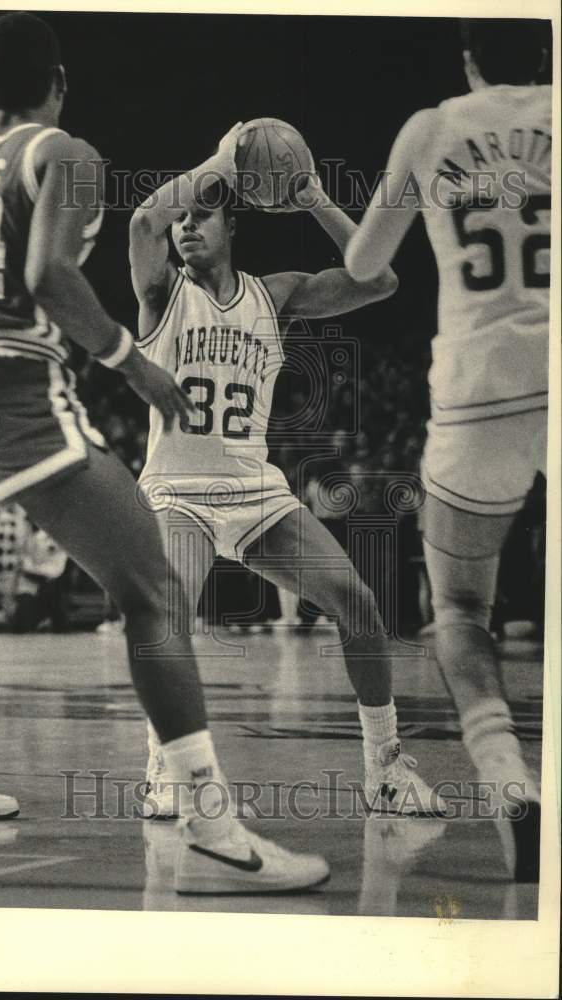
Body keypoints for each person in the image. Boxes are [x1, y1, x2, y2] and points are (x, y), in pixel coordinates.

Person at [0, 11, 330, 894]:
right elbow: (45, 279)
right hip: (5, 387)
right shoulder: (65, 152)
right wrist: (130, 362)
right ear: (58, 81)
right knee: (152, 592)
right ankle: (215, 836)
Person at [129, 124, 444, 818]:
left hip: (255, 491)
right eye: (182, 218)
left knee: (359, 605)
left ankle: (384, 770)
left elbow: (378, 278)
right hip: (177, 491)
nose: (185, 227)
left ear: (231, 224)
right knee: (169, 615)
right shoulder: (160, 295)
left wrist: (311, 197)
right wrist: (217, 161)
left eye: (202, 215)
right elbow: (145, 217)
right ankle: (162, 766)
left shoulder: (275, 296)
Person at [344, 18, 549, 881]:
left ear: (467, 62)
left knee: (462, 612)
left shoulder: (429, 128)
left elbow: (362, 267)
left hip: (475, 392)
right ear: (545, 56)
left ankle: (509, 782)